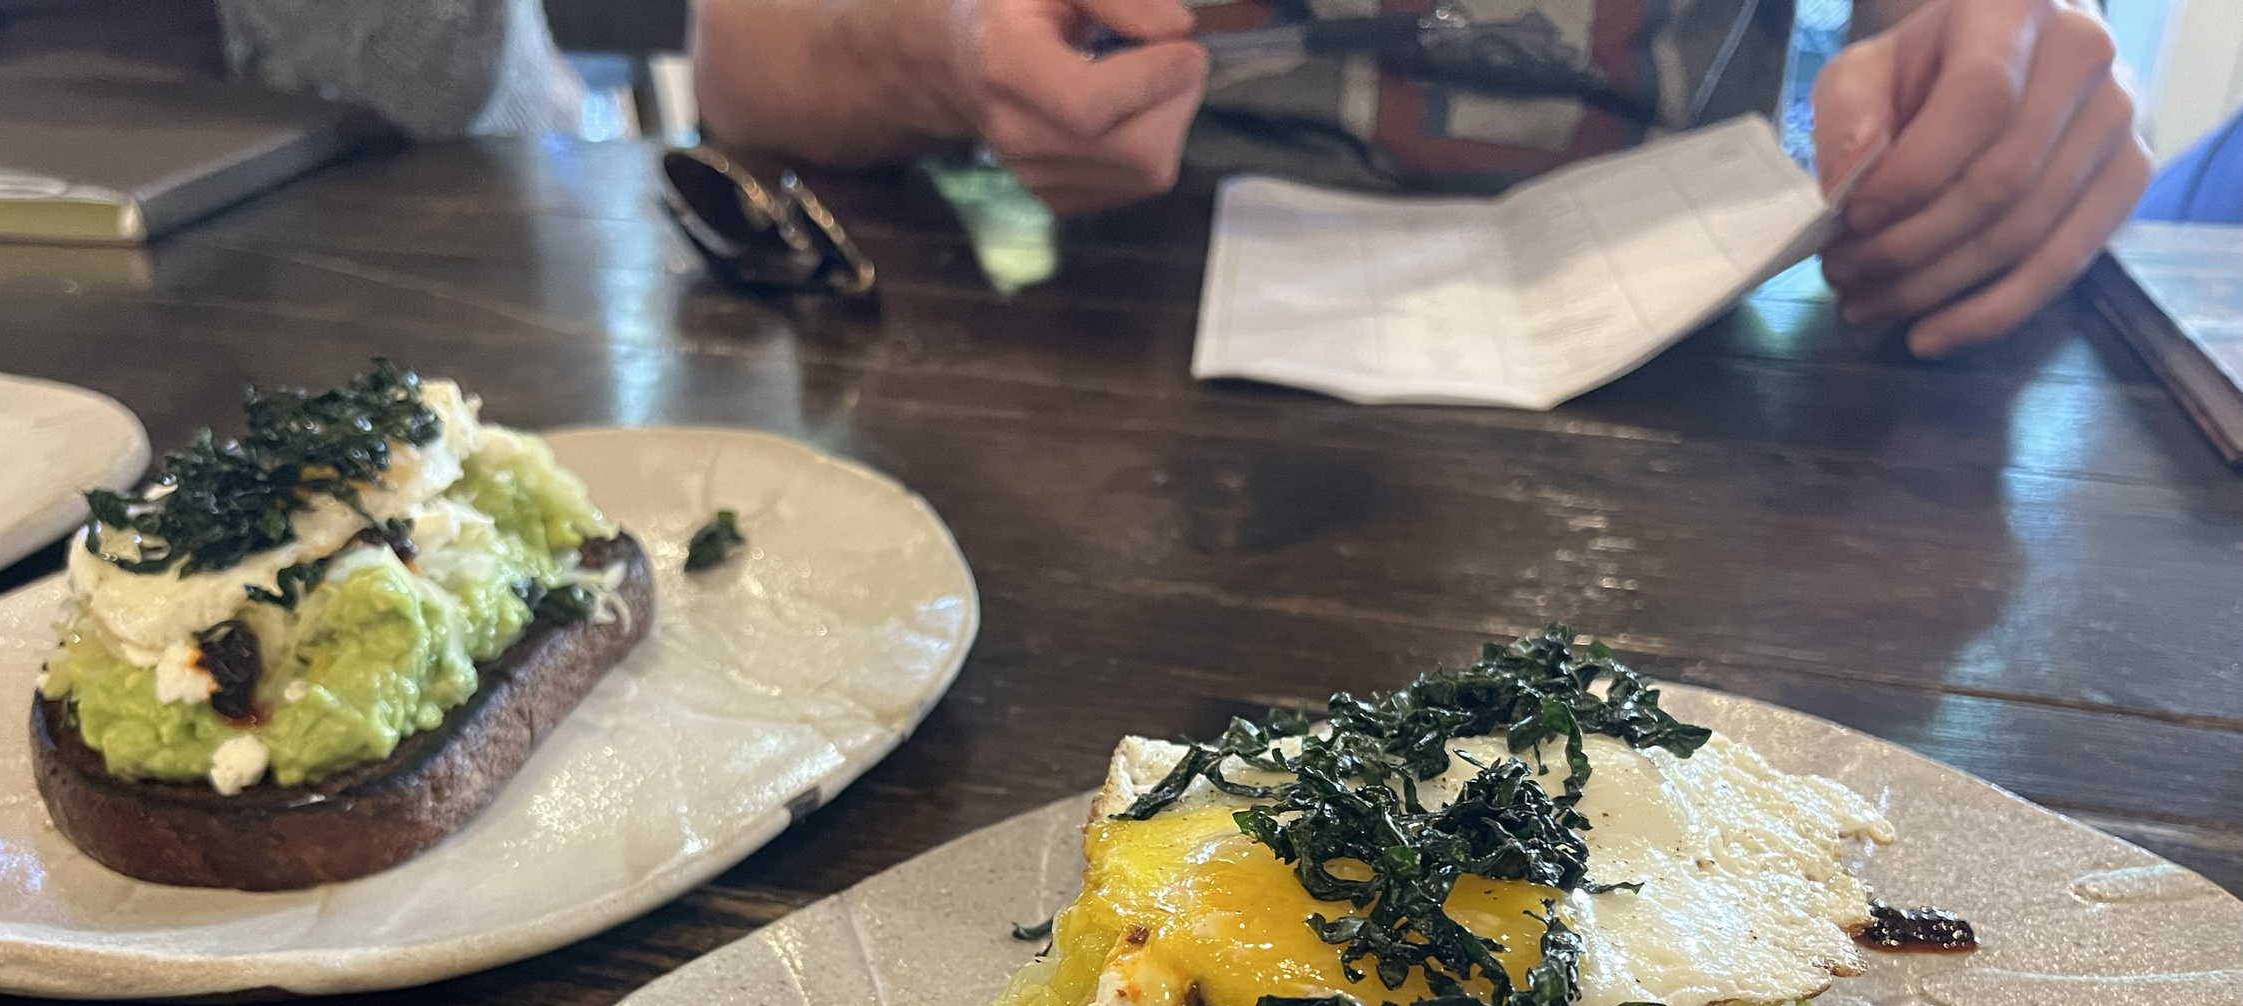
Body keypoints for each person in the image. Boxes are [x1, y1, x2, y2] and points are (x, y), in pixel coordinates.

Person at [694, 0, 2151, 359]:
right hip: (1116, 376)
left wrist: (2010, 69)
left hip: (1710, 401)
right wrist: (951, 48)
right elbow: (744, 62)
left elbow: (1977, 34)